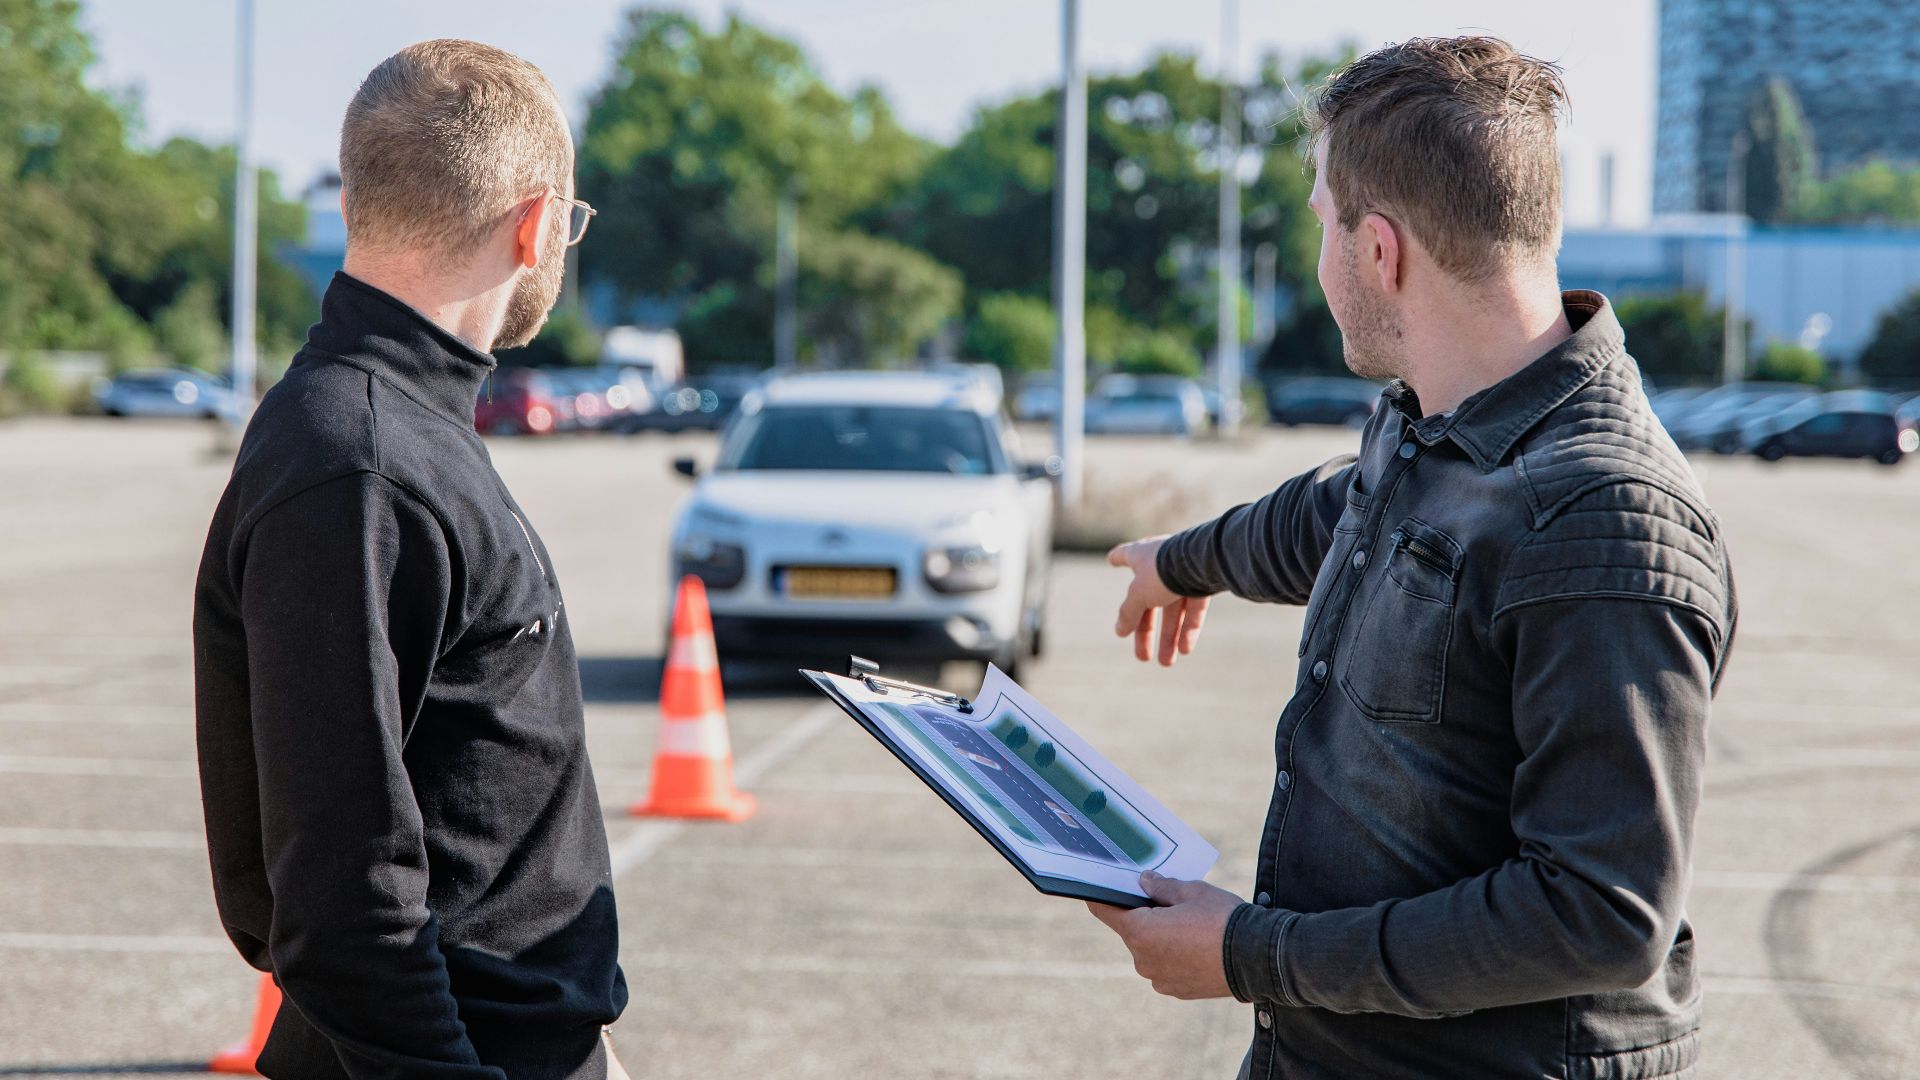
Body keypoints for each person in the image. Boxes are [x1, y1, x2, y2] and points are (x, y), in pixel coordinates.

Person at [1090, 37, 1736, 1080]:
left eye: (1320, 227)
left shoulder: (1605, 521)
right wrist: (1186, 558)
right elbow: (1341, 514)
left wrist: (1251, 953)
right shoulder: (1438, 425)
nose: (1320, 257)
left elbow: (1600, 914)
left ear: (1378, 250)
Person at [193, 40, 629, 1079]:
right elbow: (344, 898)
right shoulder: (361, 463)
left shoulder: (393, 430)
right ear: (533, 225)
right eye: (567, 223)